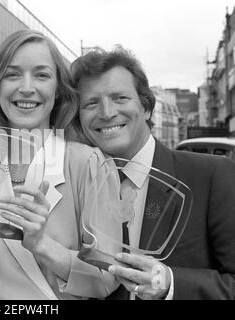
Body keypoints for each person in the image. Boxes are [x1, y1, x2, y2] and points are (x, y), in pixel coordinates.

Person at [0, 29, 121, 300]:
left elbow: (107, 279)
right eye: (12, 74)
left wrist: (41, 245)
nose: (26, 87)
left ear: (59, 91)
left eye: (41, 74)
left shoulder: (89, 164)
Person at [70, 46, 235, 300]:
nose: (106, 112)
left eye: (120, 98)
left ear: (146, 108)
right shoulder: (78, 185)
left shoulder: (212, 177)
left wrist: (170, 284)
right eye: (91, 103)